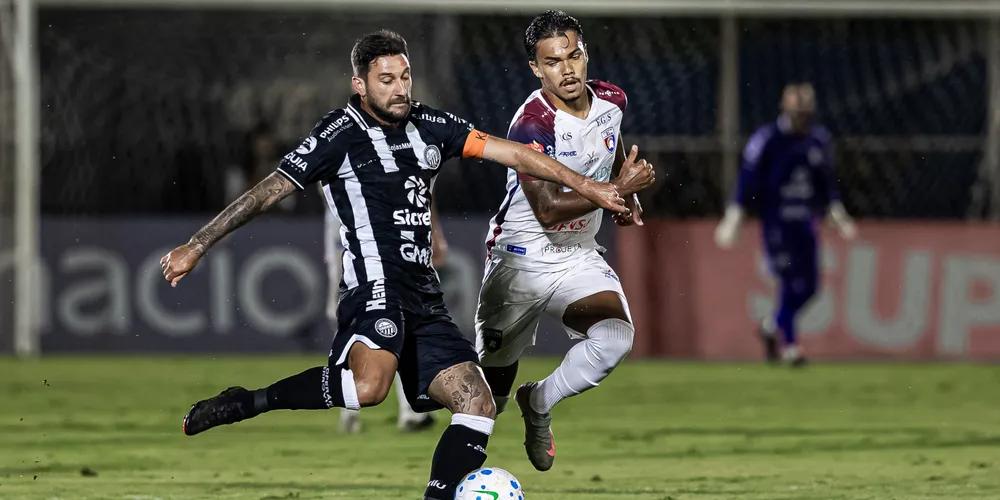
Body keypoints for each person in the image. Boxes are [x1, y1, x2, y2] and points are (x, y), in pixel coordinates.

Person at [159, 29, 627, 499]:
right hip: (374, 287)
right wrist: (197, 245)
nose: (400, 88)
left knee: (478, 403)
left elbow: (515, 153)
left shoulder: (428, 124)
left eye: (405, 76)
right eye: (386, 80)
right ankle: (249, 402)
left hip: (423, 294)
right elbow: (267, 192)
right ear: (360, 84)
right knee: (370, 388)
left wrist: (589, 187)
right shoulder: (337, 135)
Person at [473, 10, 655, 473]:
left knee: (615, 338)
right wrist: (619, 193)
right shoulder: (531, 125)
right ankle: (462, 474)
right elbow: (550, 210)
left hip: (576, 256)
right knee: (484, 398)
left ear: (586, 53)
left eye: (573, 55)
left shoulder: (613, 100)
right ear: (537, 69)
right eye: (553, 62)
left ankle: (538, 402)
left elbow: (606, 159)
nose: (567, 69)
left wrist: (622, 197)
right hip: (521, 259)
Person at [714, 82, 858, 367]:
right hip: (777, 223)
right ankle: (791, 347)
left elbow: (825, 183)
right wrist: (735, 213)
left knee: (811, 287)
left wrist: (836, 212)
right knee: (789, 281)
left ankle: (771, 326)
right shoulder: (768, 139)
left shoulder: (818, 140)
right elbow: (747, 177)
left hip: (806, 223)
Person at [326, 186, 442, 434]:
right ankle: (352, 408)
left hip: (375, 257)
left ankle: (404, 411)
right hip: (364, 261)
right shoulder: (357, 179)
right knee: (372, 333)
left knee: (393, 331)